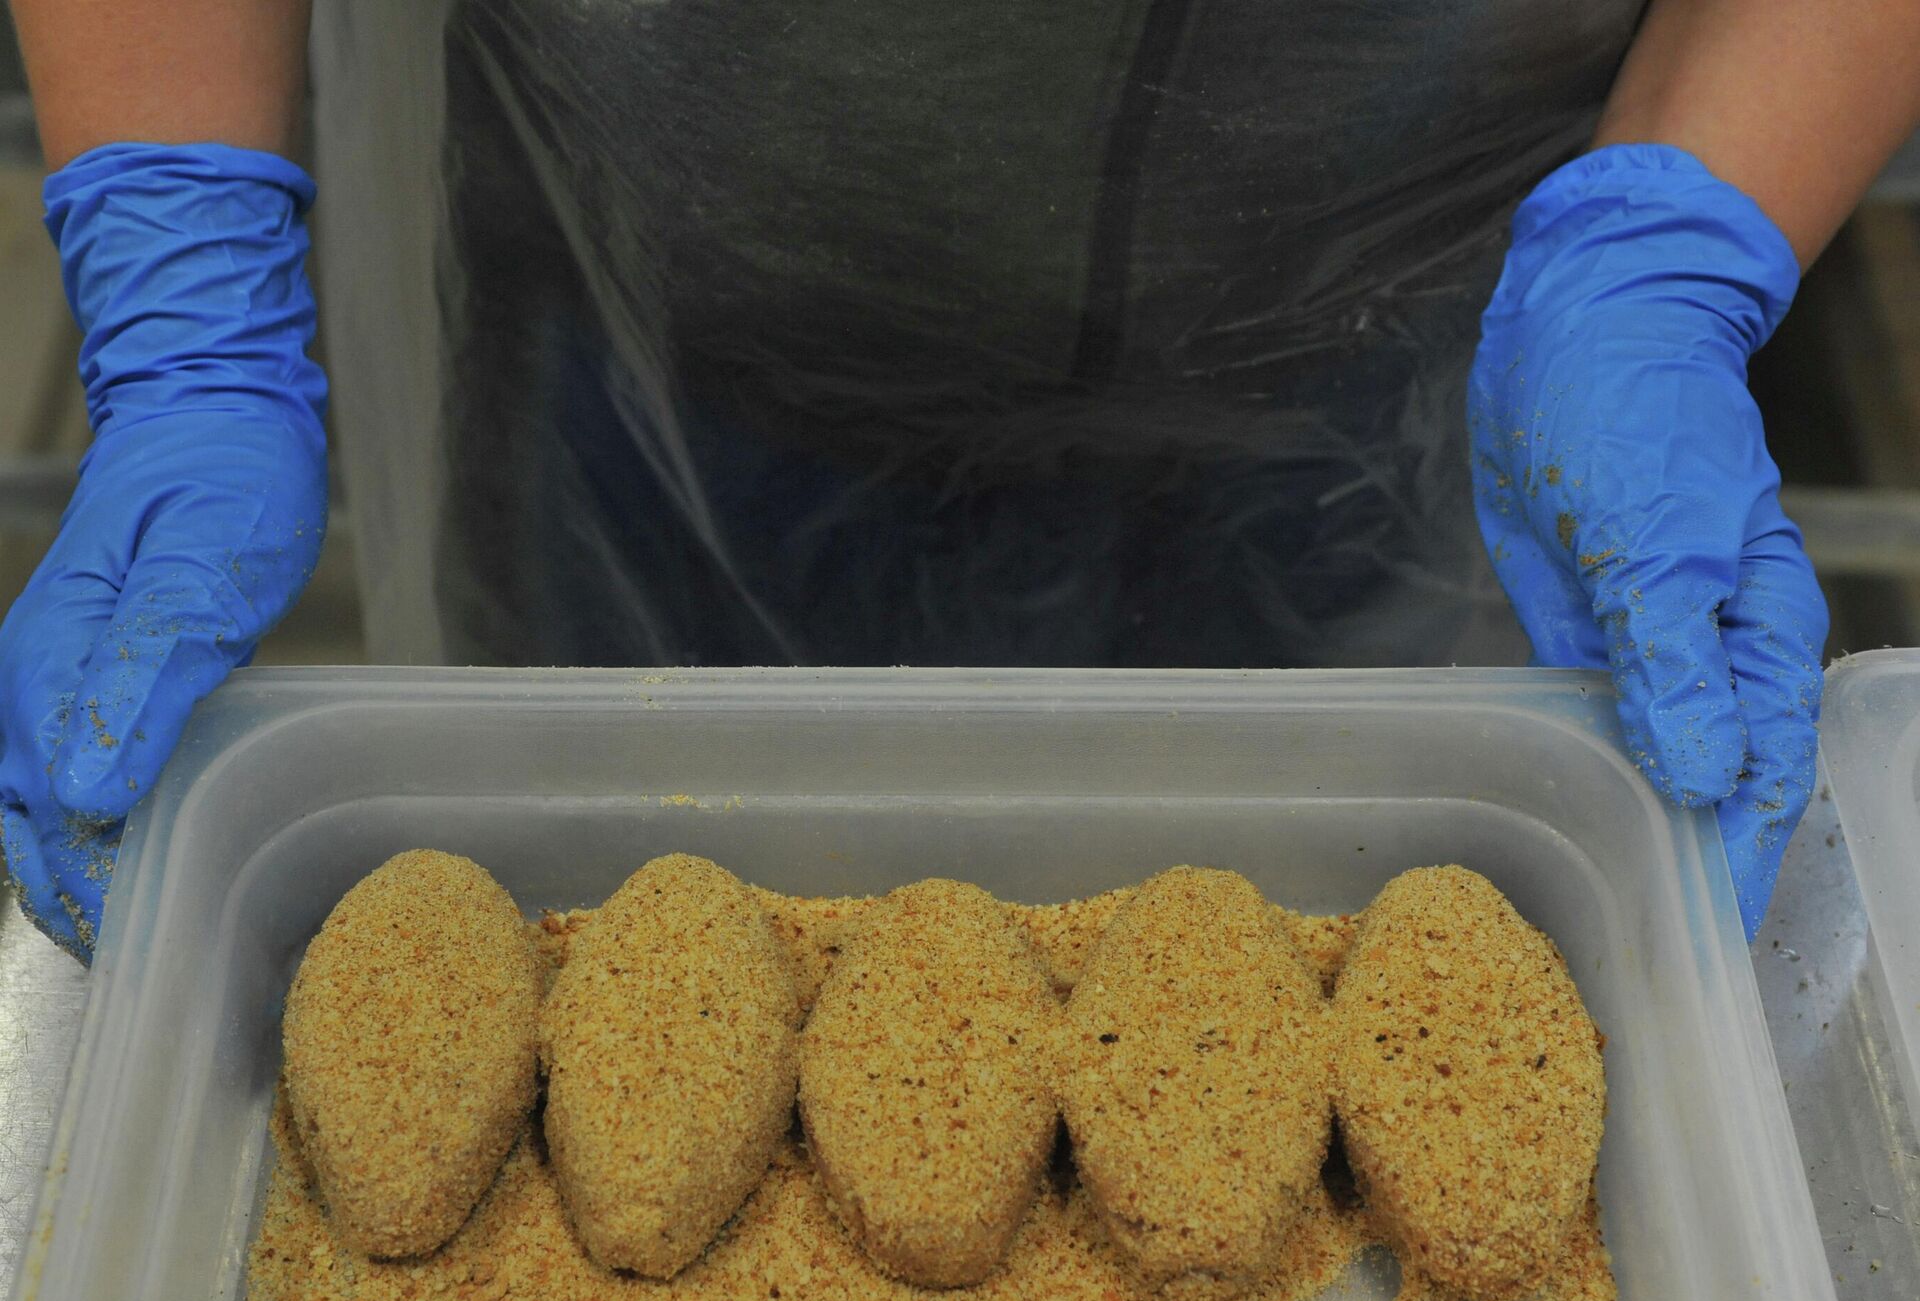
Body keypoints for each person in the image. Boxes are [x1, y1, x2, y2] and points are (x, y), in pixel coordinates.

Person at [3, 0, 1917, 960]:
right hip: (653, 299)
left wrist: (1672, 243)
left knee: (1321, 900)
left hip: (1399, 332)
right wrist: (182, 272)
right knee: (607, 894)